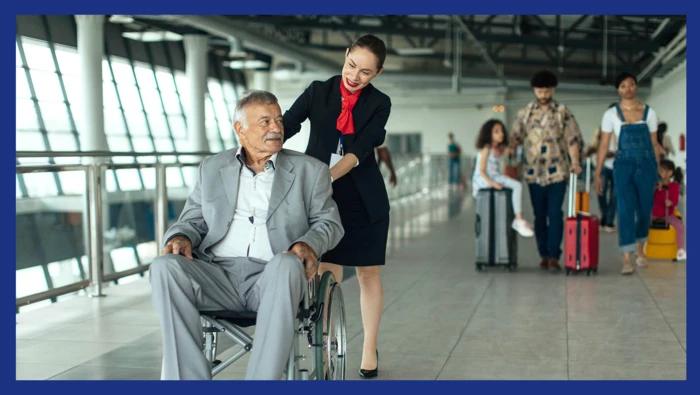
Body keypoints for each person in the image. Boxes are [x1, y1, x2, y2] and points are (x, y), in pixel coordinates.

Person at [149, 91, 344, 380]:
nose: (276, 128)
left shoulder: (310, 171)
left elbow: (329, 223)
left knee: (286, 263)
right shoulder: (212, 168)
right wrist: (180, 237)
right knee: (164, 266)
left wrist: (307, 244)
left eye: (278, 120)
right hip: (217, 275)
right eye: (265, 121)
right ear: (240, 129)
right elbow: (192, 220)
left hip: (273, 274)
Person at [282, 34, 390, 379]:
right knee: (329, 271)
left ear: (378, 73)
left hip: (363, 196)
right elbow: (288, 123)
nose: (354, 76)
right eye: (351, 65)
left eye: (366, 72)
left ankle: (369, 345)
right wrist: (260, 142)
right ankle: (329, 340)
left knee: (368, 272)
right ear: (345, 55)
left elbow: (361, 148)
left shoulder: (379, 103)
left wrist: (322, 179)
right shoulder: (318, 91)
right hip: (324, 198)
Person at [507, 70, 583, 272]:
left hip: (557, 171)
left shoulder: (562, 112)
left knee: (555, 213)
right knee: (539, 215)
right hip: (533, 173)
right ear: (534, 90)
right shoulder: (525, 114)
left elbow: (572, 139)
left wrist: (575, 161)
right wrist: (509, 153)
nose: (543, 94)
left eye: (546, 90)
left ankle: (554, 255)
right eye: (539, 91)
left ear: (553, 89)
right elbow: (514, 138)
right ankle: (543, 254)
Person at [594, 71, 662, 275]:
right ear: (618, 90)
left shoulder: (650, 113)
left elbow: (654, 143)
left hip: (647, 166)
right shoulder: (610, 114)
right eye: (623, 86)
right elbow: (604, 145)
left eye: (631, 84)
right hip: (623, 166)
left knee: (644, 209)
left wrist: (658, 172)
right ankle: (626, 257)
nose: (628, 89)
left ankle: (640, 249)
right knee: (624, 209)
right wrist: (597, 173)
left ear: (636, 86)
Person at [472, 119, 534, 237]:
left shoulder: (496, 149)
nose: (501, 134)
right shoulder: (486, 149)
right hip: (485, 179)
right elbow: (481, 170)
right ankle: (518, 219)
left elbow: (508, 154)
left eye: (501, 131)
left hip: (493, 177)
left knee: (513, 185)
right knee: (517, 185)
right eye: (496, 131)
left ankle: (518, 218)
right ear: (488, 134)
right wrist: (493, 183)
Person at [585, 106, 618, 232]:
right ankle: (605, 218)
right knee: (601, 193)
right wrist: (589, 151)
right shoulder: (600, 130)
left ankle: (608, 222)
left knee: (615, 195)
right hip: (603, 166)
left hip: (618, 167)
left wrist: (611, 154)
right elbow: (594, 146)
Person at [653, 159, 686, 261]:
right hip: (654, 213)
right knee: (642, 223)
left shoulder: (674, 186)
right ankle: (642, 246)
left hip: (667, 214)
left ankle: (680, 250)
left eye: (663, 170)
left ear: (670, 173)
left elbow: (675, 200)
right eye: (660, 170)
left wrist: (671, 203)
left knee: (680, 226)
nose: (660, 172)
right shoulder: (655, 183)